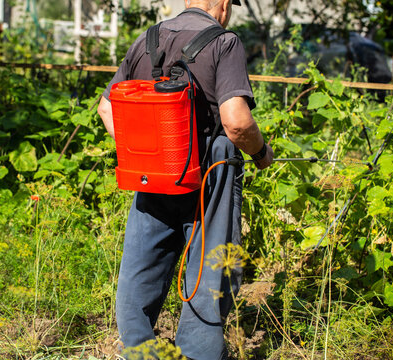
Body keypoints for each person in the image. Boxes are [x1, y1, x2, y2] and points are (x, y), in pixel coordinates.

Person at [97, 0, 274, 359]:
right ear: (223, 4)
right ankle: (198, 353)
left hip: (155, 166)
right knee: (211, 265)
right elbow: (236, 122)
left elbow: (106, 107)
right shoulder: (224, 42)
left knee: (142, 261)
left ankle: (138, 351)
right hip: (210, 167)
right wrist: (260, 154)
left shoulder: (148, 38)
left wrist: (142, 149)